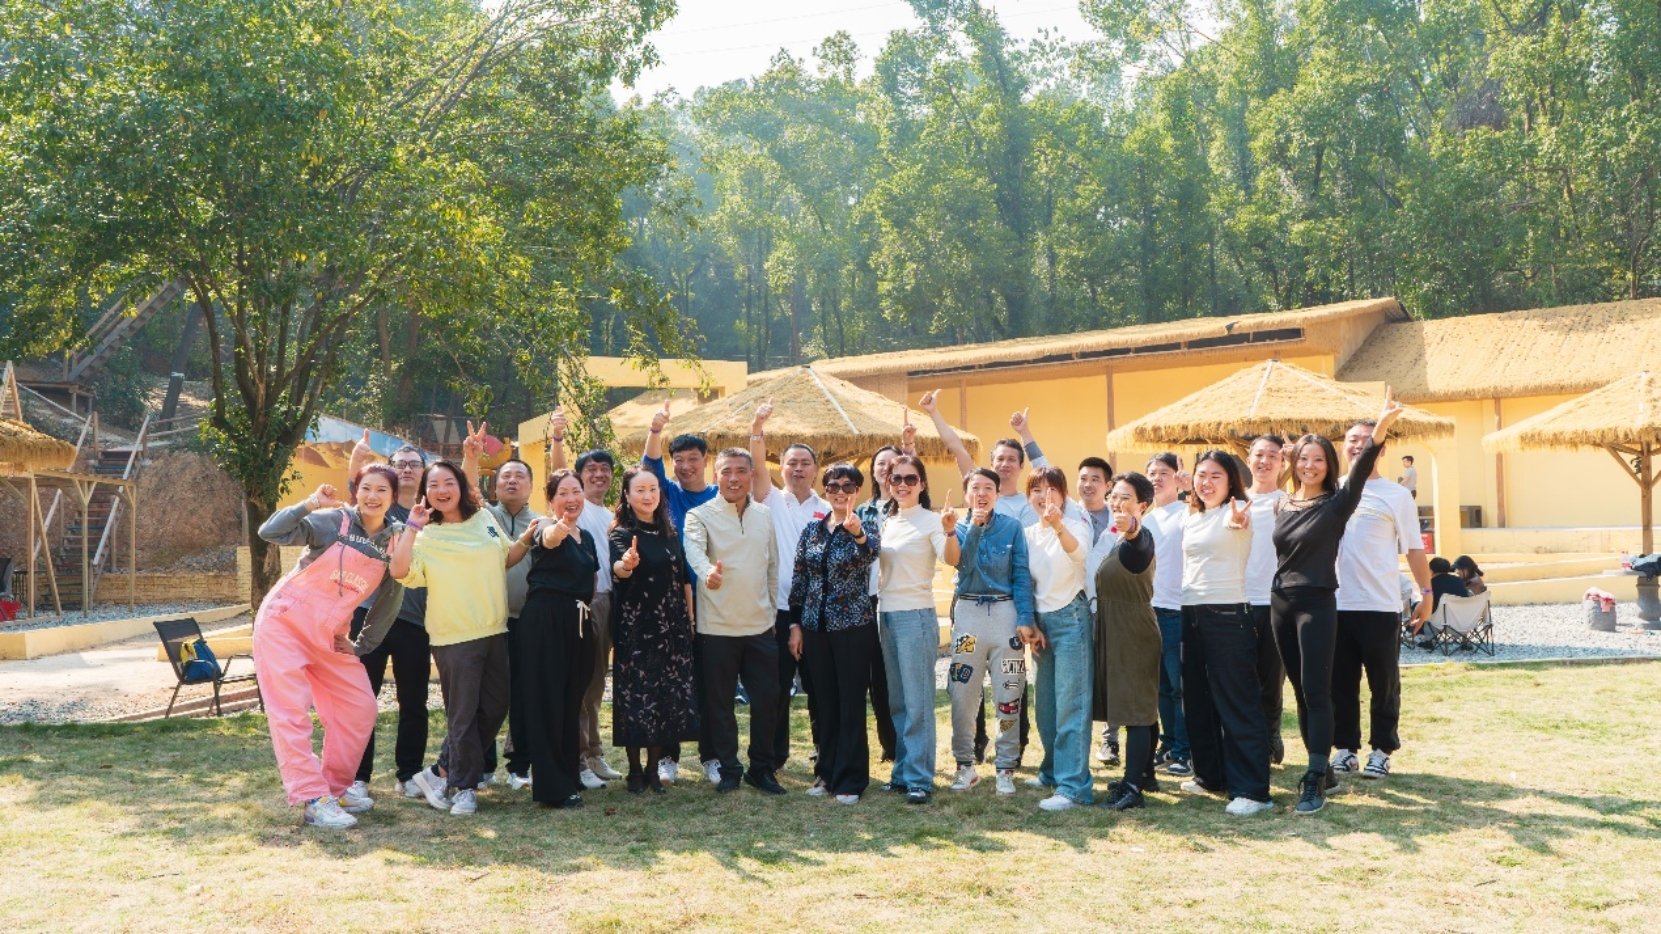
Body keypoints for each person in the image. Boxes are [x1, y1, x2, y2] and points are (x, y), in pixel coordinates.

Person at [1271, 388, 1411, 815]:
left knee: (1318, 691)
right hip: (1280, 602)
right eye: (1304, 458)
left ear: (1329, 466)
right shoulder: (1284, 502)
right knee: (1299, 691)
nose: (1310, 465)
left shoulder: (1337, 504)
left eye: (1318, 459)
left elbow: (1364, 463)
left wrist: (1381, 425)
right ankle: (1324, 769)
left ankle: (1316, 776)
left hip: (1317, 604)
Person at [254, 468, 405, 828]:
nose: (372, 496)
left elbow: (391, 598)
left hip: (331, 636)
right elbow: (270, 532)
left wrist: (363, 644)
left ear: (393, 497)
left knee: (359, 707)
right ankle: (311, 798)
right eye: (365, 488)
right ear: (356, 491)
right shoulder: (333, 521)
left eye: (381, 490)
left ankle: (334, 789)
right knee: (291, 713)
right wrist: (309, 504)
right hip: (284, 624)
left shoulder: (397, 541)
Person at [390, 459, 531, 817]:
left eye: (448, 482)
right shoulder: (425, 535)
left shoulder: (483, 518)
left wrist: (529, 537)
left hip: (494, 628)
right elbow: (400, 571)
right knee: (463, 715)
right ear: (425, 493)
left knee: (495, 707)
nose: (442, 490)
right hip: (453, 636)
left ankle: (439, 771)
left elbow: (506, 557)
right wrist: (411, 528)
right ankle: (464, 787)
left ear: (461, 486)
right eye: (433, 485)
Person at [1331, 417, 1435, 783]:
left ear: (1381, 448)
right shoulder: (1330, 490)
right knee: (1339, 683)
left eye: (1366, 439)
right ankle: (1345, 749)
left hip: (1380, 606)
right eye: (1351, 439)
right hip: (1336, 604)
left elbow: (1414, 549)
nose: (1358, 445)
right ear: (1342, 446)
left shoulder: (1396, 495)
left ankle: (1381, 751)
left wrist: (1426, 594)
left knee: (1384, 683)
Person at [683, 448, 785, 795]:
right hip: (716, 629)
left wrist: (772, 613)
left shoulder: (764, 515)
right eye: (726, 471)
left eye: (741, 471)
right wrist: (707, 573)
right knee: (720, 705)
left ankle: (762, 768)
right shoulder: (699, 515)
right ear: (716, 476)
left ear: (751, 475)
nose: (734, 478)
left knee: (767, 701)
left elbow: (772, 566)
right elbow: (694, 551)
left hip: (760, 627)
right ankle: (729, 769)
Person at [1177, 451, 1271, 817]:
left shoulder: (1239, 513)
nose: (1207, 482)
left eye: (1216, 475)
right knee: (1198, 702)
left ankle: (1252, 790)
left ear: (1231, 480)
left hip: (1228, 615)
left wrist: (1237, 520)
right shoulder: (1194, 517)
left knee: (1237, 702)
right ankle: (1210, 775)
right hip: (1191, 612)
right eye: (1201, 475)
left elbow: (1238, 524)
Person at [341, 437, 434, 803]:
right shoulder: (378, 506)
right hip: (369, 618)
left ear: (424, 471)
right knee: (363, 701)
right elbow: (355, 497)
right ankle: (357, 776)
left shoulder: (434, 511)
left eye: (414, 463)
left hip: (415, 621)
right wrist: (356, 461)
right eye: (400, 463)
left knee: (414, 703)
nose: (407, 469)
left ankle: (408, 774)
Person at [788, 463, 881, 804]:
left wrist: (856, 533)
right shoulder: (812, 531)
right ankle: (825, 773)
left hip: (852, 627)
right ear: (825, 490)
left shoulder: (867, 526)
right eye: (833, 486)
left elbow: (869, 553)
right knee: (824, 702)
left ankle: (850, 779)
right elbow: (800, 579)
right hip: (815, 628)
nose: (840, 492)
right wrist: (795, 625)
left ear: (858, 491)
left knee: (850, 703)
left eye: (847, 486)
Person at [748, 401, 829, 776]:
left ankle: (824, 751)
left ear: (815, 469)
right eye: (791, 463)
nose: (798, 468)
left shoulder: (826, 508)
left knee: (819, 687)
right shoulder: (770, 500)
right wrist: (757, 428)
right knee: (775, 688)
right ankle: (773, 755)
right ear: (781, 469)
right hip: (776, 611)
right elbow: (757, 463)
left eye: (805, 463)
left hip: (817, 613)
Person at [943, 468, 1035, 795]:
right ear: (966, 493)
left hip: (1005, 613)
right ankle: (964, 765)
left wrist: (1025, 616)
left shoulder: (1012, 527)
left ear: (997, 493)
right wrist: (974, 530)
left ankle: (1006, 767)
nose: (981, 493)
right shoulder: (956, 527)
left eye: (988, 488)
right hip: (968, 612)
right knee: (962, 693)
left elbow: (1021, 574)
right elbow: (963, 566)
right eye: (975, 488)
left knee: (1009, 691)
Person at [641, 399, 719, 785]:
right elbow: (649, 465)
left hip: (712, 600)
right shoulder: (668, 492)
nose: (686, 466)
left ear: (705, 460)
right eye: (679, 460)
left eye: (693, 459)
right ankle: (668, 757)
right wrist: (655, 430)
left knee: (709, 682)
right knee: (670, 680)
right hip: (669, 601)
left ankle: (712, 756)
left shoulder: (720, 496)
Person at [608, 466, 699, 794]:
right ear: (627, 495)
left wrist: (689, 622)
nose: (648, 496)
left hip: (672, 627)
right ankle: (634, 771)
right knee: (635, 698)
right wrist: (627, 564)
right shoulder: (620, 534)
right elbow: (619, 569)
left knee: (663, 698)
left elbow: (683, 580)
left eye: (653, 489)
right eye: (640, 490)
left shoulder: (670, 532)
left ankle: (652, 769)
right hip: (636, 628)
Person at [513, 470, 598, 809]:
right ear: (550, 501)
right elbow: (547, 539)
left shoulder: (586, 537)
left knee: (570, 700)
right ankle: (551, 787)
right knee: (547, 701)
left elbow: (591, 578)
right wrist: (557, 530)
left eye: (576, 491)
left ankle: (568, 774)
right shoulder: (544, 528)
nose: (571, 498)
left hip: (578, 622)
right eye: (563, 493)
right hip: (545, 620)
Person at [546, 409, 622, 787]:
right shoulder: (576, 507)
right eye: (590, 469)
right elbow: (559, 476)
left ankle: (593, 752)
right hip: (582, 605)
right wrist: (558, 439)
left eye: (605, 469)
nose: (598, 474)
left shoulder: (613, 515)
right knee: (577, 684)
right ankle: (577, 757)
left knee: (595, 685)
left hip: (610, 603)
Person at [1022, 466, 1094, 811]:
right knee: (1046, 707)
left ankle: (1074, 787)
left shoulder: (1076, 526)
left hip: (1071, 620)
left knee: (1071, 705)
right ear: (1028, 496)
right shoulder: (1026, 535)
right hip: (1041, 626)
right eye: (1036, 489)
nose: (1044, 495)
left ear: (1064, 496)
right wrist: (1030, 622)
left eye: (1051, 489)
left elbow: (1078, 554)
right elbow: (1023, 582)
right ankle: (1051, 772)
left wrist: (1057, 525)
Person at [876, 454, 946, 804]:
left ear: (922, 484)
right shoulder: (887, 520)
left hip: (915, 616)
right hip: (886, 614)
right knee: (899, 702)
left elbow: (951, 557)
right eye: (896, 478)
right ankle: (902, 774)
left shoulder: (932, 520)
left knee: (918, 701)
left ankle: (920, 778)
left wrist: (950, 530)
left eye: (910, 479)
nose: (902, 484)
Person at [474, 457, 543, 792]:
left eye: (519, 476)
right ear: (495, 485)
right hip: (487, 622)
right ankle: (483, 765)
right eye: (506, 476)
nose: (512, 481)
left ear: (531, 485)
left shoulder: (541, 524)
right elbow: (466, 489)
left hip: (525, 622)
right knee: (485, 694)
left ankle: (519, 766)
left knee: (523, 693)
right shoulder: (484, 517)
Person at [1093, 472, 1161, 811]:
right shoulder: (1117, 539)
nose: (1116, 503)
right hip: (1118, 629)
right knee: (1141, 707)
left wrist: (1131, 526)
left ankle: (1132, 787)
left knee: (1136, 711)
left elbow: (1138, 539)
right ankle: (1145, 774)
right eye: (1114, 496)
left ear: (1142, 505)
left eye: (1125, 498)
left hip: (1133, 632)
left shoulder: (1138, 538)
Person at [1143, 453, 1194, 779]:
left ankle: (1186, 751)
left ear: (1176, 477)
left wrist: (1192, 492)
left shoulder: (1186, 512)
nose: (1157, 478)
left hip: (1177, 610)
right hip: (1149, 612)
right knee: (1161, 687)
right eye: (1151, 472)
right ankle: (1169, 744)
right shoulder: (1145, 519)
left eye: (1164, 472)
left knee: (1179, 687)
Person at [1244, 435, 1288, 765]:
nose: (1265, 461)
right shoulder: (1234, 501)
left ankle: (1271, 733)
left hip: (1276, 600)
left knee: (1272, 676)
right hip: (1238, 600)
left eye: (1273, 455)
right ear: (1248, 460)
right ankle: (1248, 740)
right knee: (1241, 676)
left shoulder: (1289, 503)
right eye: (1259, 454)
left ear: (1283, 463)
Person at [1076, 456, 1123, 768]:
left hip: (1111, 606)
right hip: (1073, 604)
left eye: (1095, 479)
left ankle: (1111, 739)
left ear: (1107, 486)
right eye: (1083, 478)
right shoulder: (1068, 513)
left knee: (1112, 671)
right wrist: (1026, 435)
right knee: (1079, 673)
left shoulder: (1119, 518)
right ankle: (1077, 739)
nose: (1088, 484)